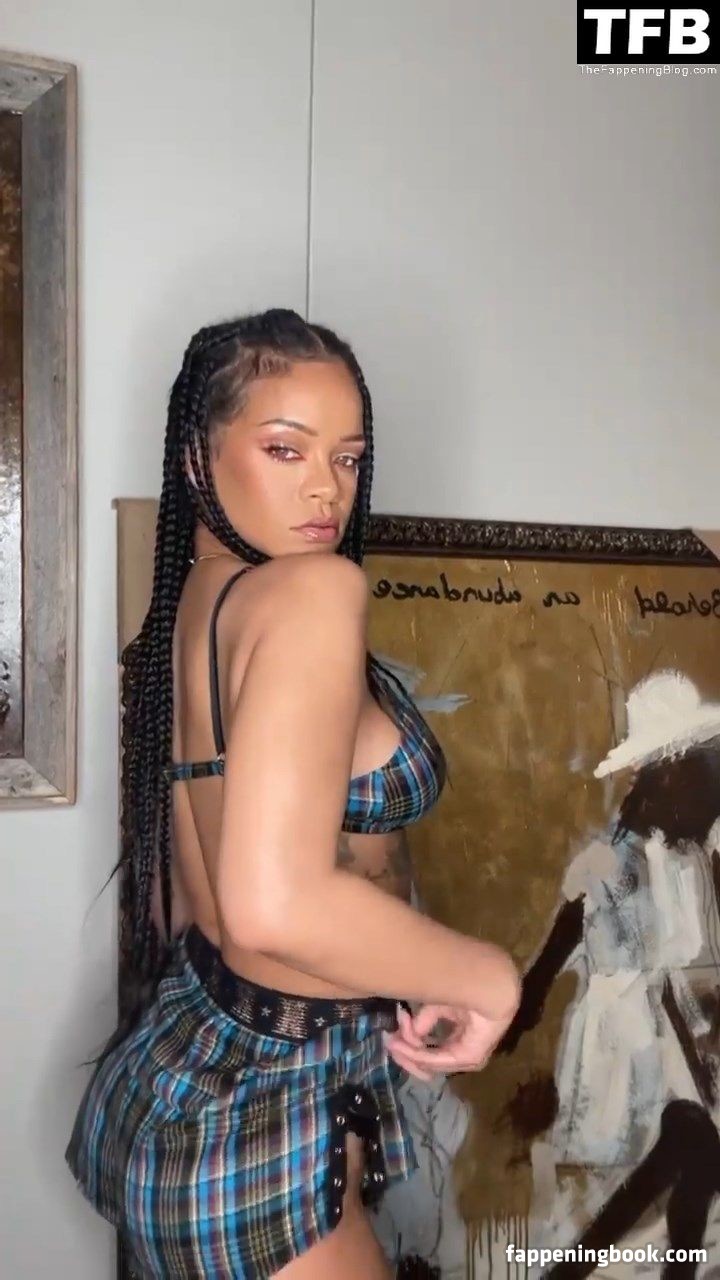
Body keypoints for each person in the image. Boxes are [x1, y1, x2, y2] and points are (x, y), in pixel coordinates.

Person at [65, 309, 520, 1280]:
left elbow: (201, 891)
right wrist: (486, 976)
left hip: (191, 1059)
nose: (327, 488)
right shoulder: (311, 592)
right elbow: (272, 904)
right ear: (198, 457)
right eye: (286, 449)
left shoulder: (200, 598)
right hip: (257, 1103)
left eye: (348, 458)